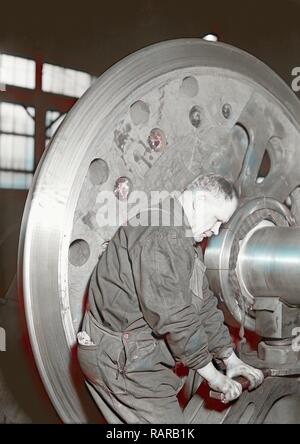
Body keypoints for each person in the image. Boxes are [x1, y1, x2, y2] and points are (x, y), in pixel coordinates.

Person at [77, 174, 264, 423]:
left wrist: (229, 358)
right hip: (121, 360)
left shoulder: (182, 235)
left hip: (134, 351)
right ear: (199, 201)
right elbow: (175, 316)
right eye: (217, 219)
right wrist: (213, 376)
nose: (217, 230)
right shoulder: (162, 235)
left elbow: (202, 303)